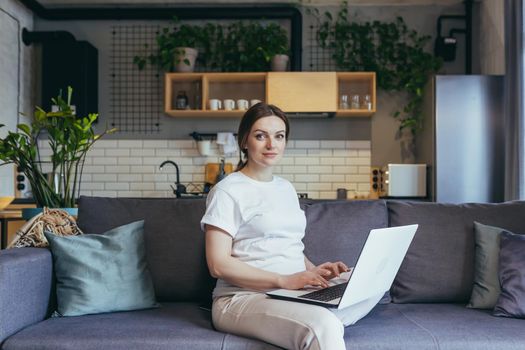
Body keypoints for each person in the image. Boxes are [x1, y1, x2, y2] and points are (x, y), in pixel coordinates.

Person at [201, 103, 382, 350]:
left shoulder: (285, 187)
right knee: (325, 326)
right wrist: (284, 280)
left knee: (370, 284)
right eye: (260, 135)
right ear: (244, 141)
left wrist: (314, 271)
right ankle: (320, 325)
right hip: (242, 298)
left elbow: (288, 244)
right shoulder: (227, 191)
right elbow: (217, 264)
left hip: (292, 293)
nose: (271, 145)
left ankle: (312, 321)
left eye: (279, 136)